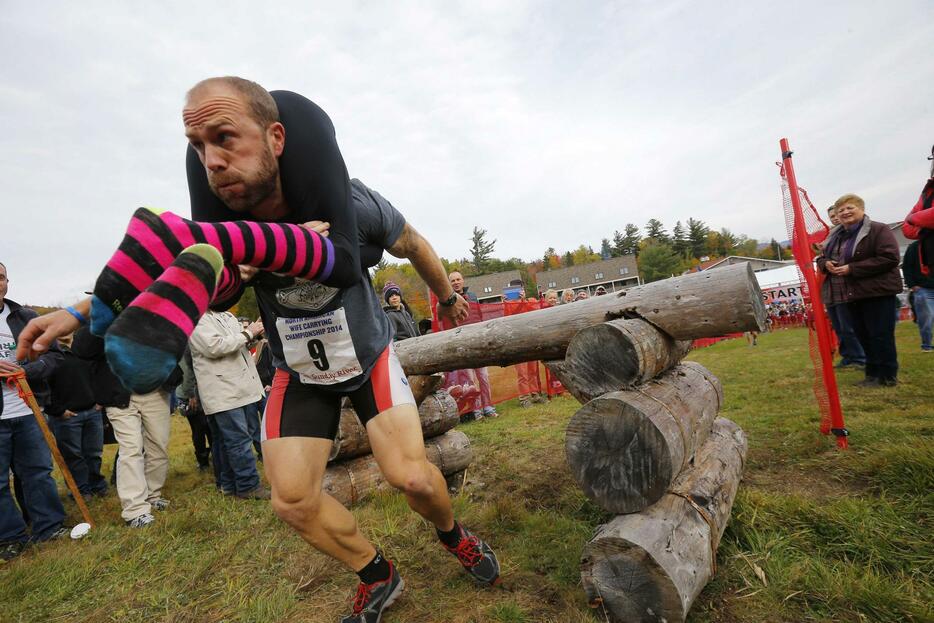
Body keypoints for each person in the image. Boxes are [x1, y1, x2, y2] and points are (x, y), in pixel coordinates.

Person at [183, 78, 498, 621]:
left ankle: (453, 534)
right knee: (291, 500)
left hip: (367, 357)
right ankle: (377, 573)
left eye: (228, 139)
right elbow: (212, 292)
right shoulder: (230, 223)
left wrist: (446, 296)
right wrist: (243, 265)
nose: (214, 163)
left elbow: (415, 244)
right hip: (300, 371)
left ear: (276, 140)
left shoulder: (351, 200)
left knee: (416, 478)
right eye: (199, 148)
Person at [0, 261, 67, 561]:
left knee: (37, 472)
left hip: (28, 409)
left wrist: (30, 370)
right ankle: (10, 537)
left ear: (8, 282)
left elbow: (55, 356)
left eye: (0, 277)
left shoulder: (25, 317)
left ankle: (49, 527)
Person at [817, 194, 902, 387]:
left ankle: (887, 375)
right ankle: (872, 374)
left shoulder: (878, 230)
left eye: (850, 208)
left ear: (861, 209)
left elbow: (889, 258)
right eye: (841, 210)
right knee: (863, 334)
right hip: (851, 293)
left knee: (880, 334)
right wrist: (826, 264)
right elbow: (821, 258)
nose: (845, 212)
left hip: (877, 291)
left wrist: (852, 269)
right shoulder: (835, 236)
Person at [189, 310, 268, 499]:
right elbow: (214, 347)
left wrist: (253, 335)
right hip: (222, 389)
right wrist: (249, 333)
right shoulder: (196, 318)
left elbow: (238, 342)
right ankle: (248, 485)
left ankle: (229, 486)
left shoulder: (227, 315)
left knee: (226, 442)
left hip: (239, 387)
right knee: (238, 441)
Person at [46, 332, 108, 497]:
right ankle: (80, 491)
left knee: (94, 453)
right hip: (66, 416)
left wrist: (100, 399)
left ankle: (97, 486)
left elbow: (98, 375)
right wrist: (57, 410)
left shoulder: (85, 351)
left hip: (93, 411)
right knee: (73, 456)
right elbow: (44, 385)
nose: (65, 331)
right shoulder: (49, 354)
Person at [442, 271, 498, 420]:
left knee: (484, 377)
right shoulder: (448, 301)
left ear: (463, 280)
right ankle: (477, 409)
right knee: (470, 381)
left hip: (477, 344)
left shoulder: (473, 297)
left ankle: (488, 407)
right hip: (462, 346)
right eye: (452, 280)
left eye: (458, 279)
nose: (456, 282)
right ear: (450, 283)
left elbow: (479, 317)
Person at [821, 205, 866, 368]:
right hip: (831, 287)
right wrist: (825, 262)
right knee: (839, 327)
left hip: (847, 286)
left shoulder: (853, 234)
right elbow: (821, 258)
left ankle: (860, 357)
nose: (834, 218)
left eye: (836, 215)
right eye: (831, 216)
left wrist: (846, 266)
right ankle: (848, 356)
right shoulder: (830, 237)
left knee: (849, 326)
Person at [903, 240, 934, 352]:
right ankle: (927, 345)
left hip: (924, 287)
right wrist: (912, 285)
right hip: (923, 288)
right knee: (926, 318)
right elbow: (906, 266)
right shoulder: (915, 247)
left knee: (927, 318)